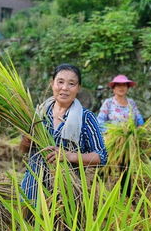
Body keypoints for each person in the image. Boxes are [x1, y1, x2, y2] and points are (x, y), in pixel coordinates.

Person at [20, 63, 107, 214]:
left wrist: (69, 156)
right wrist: (26, 142)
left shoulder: (86, 118)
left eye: (71, 83)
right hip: (32, 190)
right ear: (52, 83)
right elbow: (22, 150)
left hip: (67, 195)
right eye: (60, 82)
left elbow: (101, 156)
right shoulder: (37, 114)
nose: (65, 88)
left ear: (78, 88)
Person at [97, 75, 144, 196]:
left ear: (128, 87)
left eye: (124, 85)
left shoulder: (131, 103)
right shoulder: (108, 103)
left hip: (127, 143)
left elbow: (139, 120)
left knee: (126, 170)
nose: (121, 87)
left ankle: (126, 197)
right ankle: (98, 193)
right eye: (118, 85)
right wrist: (115, 130)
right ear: (113, 88)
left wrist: (140, 129)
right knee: (105, 168)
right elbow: (100, 122)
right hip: (111, 141)